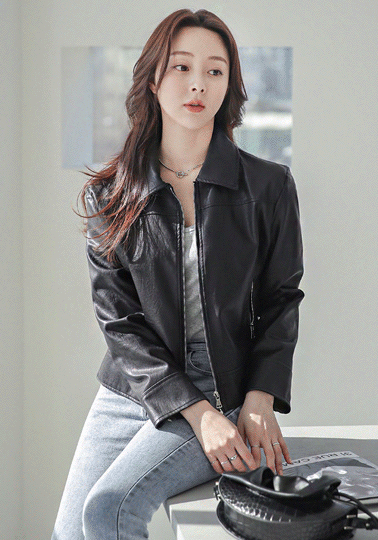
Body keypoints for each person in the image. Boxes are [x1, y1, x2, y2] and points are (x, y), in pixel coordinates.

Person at [51, 8, 304, 540]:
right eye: (181, 67)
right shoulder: (109, 195)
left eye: (215, 71)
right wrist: (194, 412)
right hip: (132, 388)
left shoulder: (269, 186)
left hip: (223, 383)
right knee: (70, 533)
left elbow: (281, 298)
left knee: (109, 510)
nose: (197, 84)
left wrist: (258, 397)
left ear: (229, 85)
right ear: (153, 79)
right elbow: (119, 323)